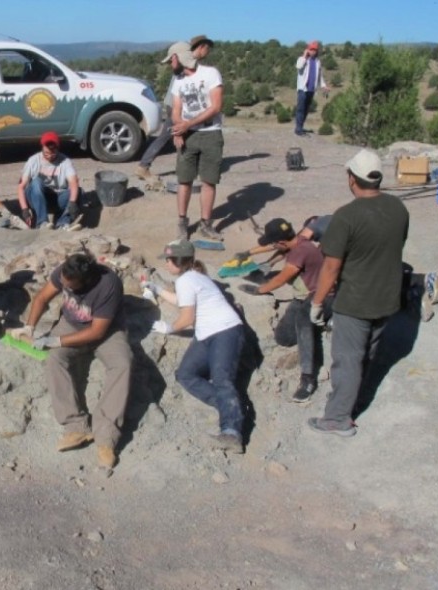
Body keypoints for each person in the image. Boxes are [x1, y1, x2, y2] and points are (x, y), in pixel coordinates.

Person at [308, 149, 409, 436]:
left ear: (352, 178)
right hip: (387, 298)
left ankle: (338, 419)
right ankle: (354, 399)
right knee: (367, 354)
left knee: (347, 360)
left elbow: (331, 268)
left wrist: (317, 303)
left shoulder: (346, 217)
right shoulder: (398, 208)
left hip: (355, 302)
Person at [11, 253, 132, 469]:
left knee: (123, 364)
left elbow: (96, 332)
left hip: (107, 332)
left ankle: (106, 438)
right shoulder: (66, 270)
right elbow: (41, 298)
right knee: (54, 359)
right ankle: (76, 427)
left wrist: (56, 340)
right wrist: (29, 327)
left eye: (70, 286)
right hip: (71, 323)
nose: (64, 286)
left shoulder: (108, 285)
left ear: (87, 280)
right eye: (63, 282)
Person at [143, 239, 245, 453]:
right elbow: (182, 300)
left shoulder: (187, 280)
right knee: (185, 375)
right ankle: (230, 406)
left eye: (169, 260)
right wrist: (157, 289)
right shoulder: (192, 278)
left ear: (178, 261)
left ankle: (232, 432)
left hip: (225, 331)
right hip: (207, 333)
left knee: (222, 380)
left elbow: (187, 317)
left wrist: (168, 328)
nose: (166, 264)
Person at [236, 218, 331, 403]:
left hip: (324, 295)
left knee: (304, 321)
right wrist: (248, 253)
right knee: (284, 337)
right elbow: (272, 248)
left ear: (281, 242)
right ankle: (318, 325)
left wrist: (258, 290)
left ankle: (308, 379)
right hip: (304, 295)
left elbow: (280, 280)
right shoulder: (298, 241)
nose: (272, 246)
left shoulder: (300, 252)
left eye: (273, 242)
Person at [171, 47, 224, 241]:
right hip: (187, 135)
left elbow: (216, 106)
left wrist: (188, 124)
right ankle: (182, 223)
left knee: (209, 181)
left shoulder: (210, 74)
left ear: (180, 58)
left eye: (172, 60)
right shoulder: (178, 81)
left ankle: (205, 224)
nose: (170, 64)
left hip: (210, 134)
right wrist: (178, 129)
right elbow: (176, 108)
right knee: (184, 180)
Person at [135, 42, 188, 180]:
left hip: (172, 107)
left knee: (165, 138)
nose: (171, 64)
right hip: (176, 109)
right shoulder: (183, 73)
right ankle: (145, 166)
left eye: (171, 60)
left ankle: (144, 166)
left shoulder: (181, 72)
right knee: (177, 138)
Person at [17, 131, 82, 230]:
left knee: (78, 191)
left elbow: (73, 182)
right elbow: (21, 186)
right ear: (42, 147)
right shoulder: (33, 161)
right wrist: (24, 209)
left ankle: (63, 223)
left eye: (53, 153)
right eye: (46, 153)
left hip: (57, 199)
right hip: (36, 199)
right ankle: (42, 222)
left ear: (57, 149)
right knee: (36, 182)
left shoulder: (65, 162)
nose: (49, 155)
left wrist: (72, 202)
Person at [295, 40, 329, 137]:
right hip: (303, 88)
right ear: (307, 49)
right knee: (300, 108)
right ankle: (298, 129)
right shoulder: (302, 59)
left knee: (306, 109)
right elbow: (298, 66)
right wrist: (305, 56)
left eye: (315, 50)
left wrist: (323, 86)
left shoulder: (318, 62)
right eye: (311, 49)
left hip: (311, 89)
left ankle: (301, 126)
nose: (313, 51)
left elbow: (320, 76)